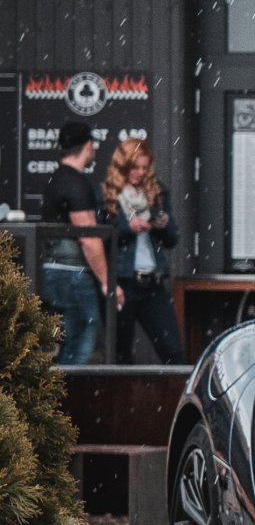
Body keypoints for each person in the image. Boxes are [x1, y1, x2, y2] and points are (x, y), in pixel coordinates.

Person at [40, 123, 118, 365]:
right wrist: (107, 282)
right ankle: (65, 390)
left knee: (69, 344)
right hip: (72, 273)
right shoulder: (74, 182)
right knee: (80, 347)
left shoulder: (57, 179)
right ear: (88, 145)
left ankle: (58, 388)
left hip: (54, 271)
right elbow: (88, 238)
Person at [102, 136, 185, 364]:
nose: (139, 173)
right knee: (120, 355)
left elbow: (172, 239)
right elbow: (101, 236)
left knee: (173, 351)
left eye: (144, 168)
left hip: (152, 281)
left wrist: (163, 224)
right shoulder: (109, 194)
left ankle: (178, 387)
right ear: (123, 165)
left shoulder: (156, 192)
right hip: (123, 280)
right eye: (134, 167)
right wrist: (127, 228)